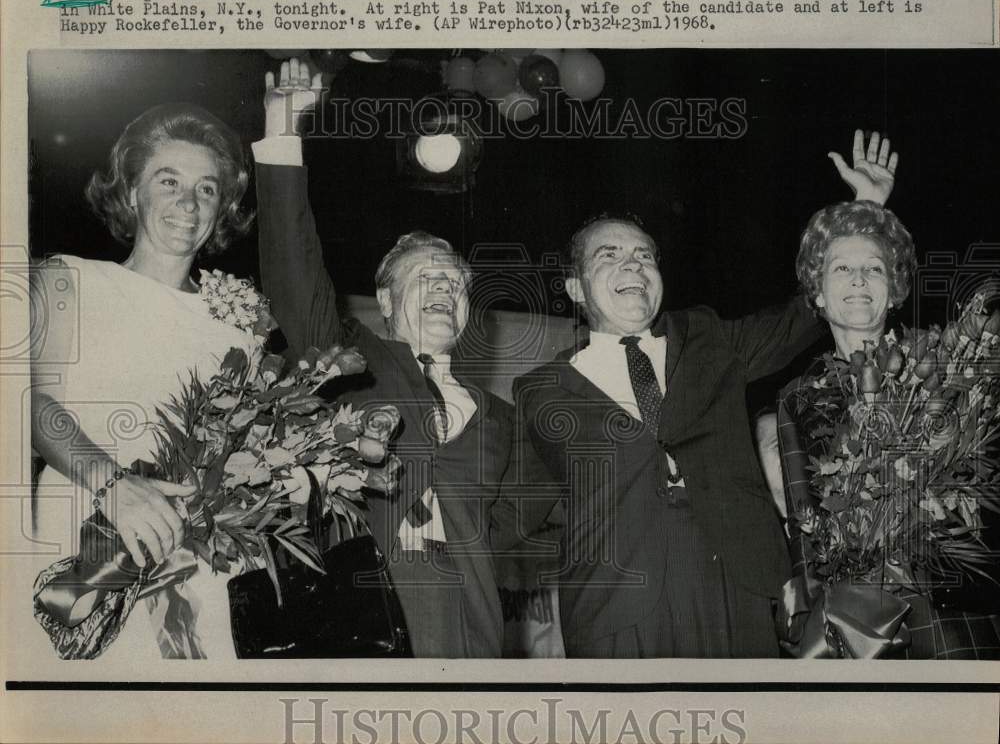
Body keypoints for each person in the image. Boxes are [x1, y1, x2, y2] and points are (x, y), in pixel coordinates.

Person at [496, 131, 898, 658]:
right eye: (609, 256)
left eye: (644, 256)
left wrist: (864, 209)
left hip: (737, 592)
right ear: (575, 288)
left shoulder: (707, 337)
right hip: (616, 611)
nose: (632, 265)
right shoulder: (540, 392)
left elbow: (802, 314)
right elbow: (508, 516)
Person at [254, 59, 511, 657]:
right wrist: (283, 130)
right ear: (388, 301)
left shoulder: (502, 418)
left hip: (476, 651)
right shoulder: (350, 362)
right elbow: (294, 277)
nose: (446, 290)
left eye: (456, 284)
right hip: (370, 637)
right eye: (426, 278)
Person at [30, 103, 259, 659]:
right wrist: (113, 484)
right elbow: (26, 403)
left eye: (207, 189)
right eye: (168, 180)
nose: (188, 202)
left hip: (196, 564)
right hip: (85, 539)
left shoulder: (241, 326)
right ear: (132, 192)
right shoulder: (68, 279)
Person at [778, 200, 1000, 658]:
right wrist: (817, 617)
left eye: (873, 269)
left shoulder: (945, 363)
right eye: (842, 268)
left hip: (952, 614)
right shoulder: (797, 398)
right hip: (854, 627)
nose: (858, 280)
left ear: (894, 290)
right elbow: (805, 526)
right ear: (817, 293)